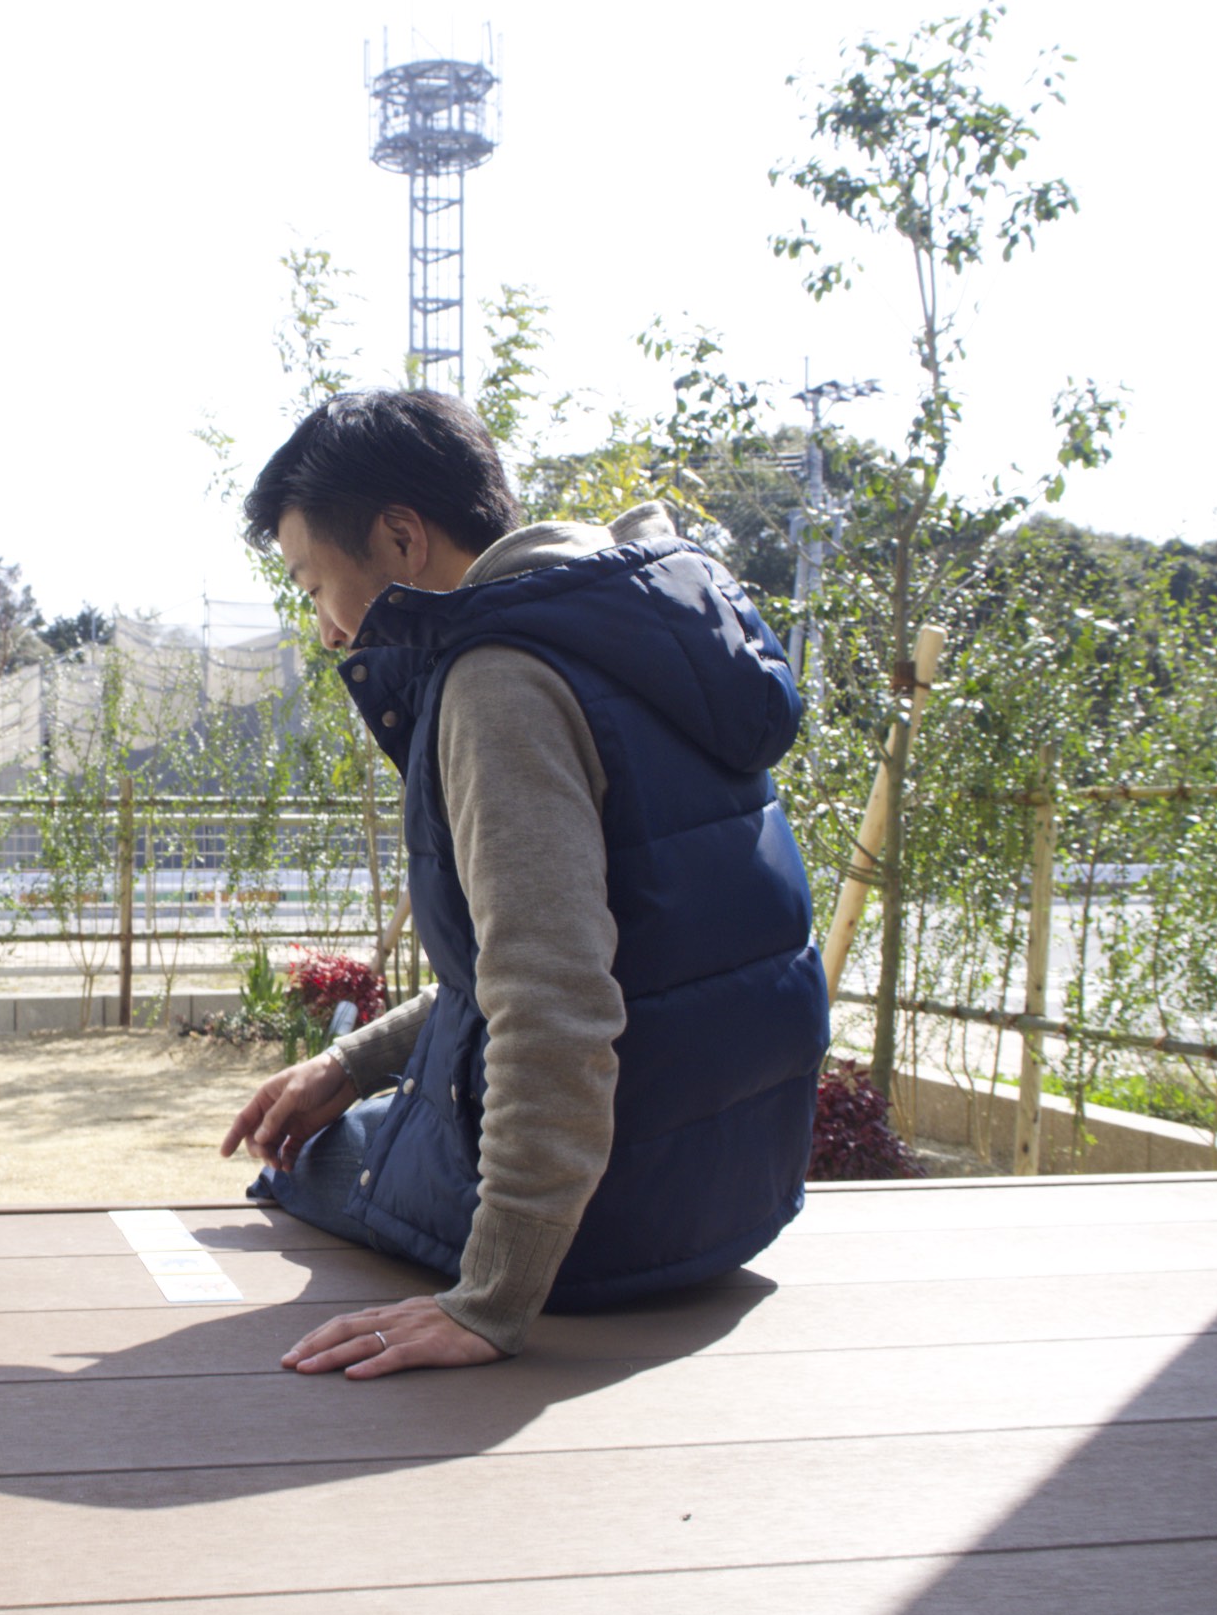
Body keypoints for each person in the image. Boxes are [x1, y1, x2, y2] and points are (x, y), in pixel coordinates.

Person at [222, 389, 828, 1377]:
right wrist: (352, 1063)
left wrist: (489, 1301)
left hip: (601, 1232)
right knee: (351, 1113)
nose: (327, 628)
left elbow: (554, 1001)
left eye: (312, 580)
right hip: (737, 1194)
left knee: (301, 1164)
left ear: (403, 539)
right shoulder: (640, 629)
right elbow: (609, 953)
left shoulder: (497, 681)